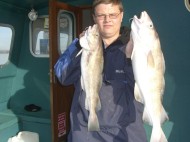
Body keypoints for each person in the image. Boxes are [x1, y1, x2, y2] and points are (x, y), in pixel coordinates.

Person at [54, 0, 147, 141]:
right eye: (101, 15)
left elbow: (146, 88)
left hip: (124, 132)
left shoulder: (136, 47)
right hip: (85, 131)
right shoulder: (81, 47)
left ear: (121, 16)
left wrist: (129, 59)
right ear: (94, 18)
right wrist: (78, 46)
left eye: (113, 14)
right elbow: (62, 76)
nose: (107, 19)